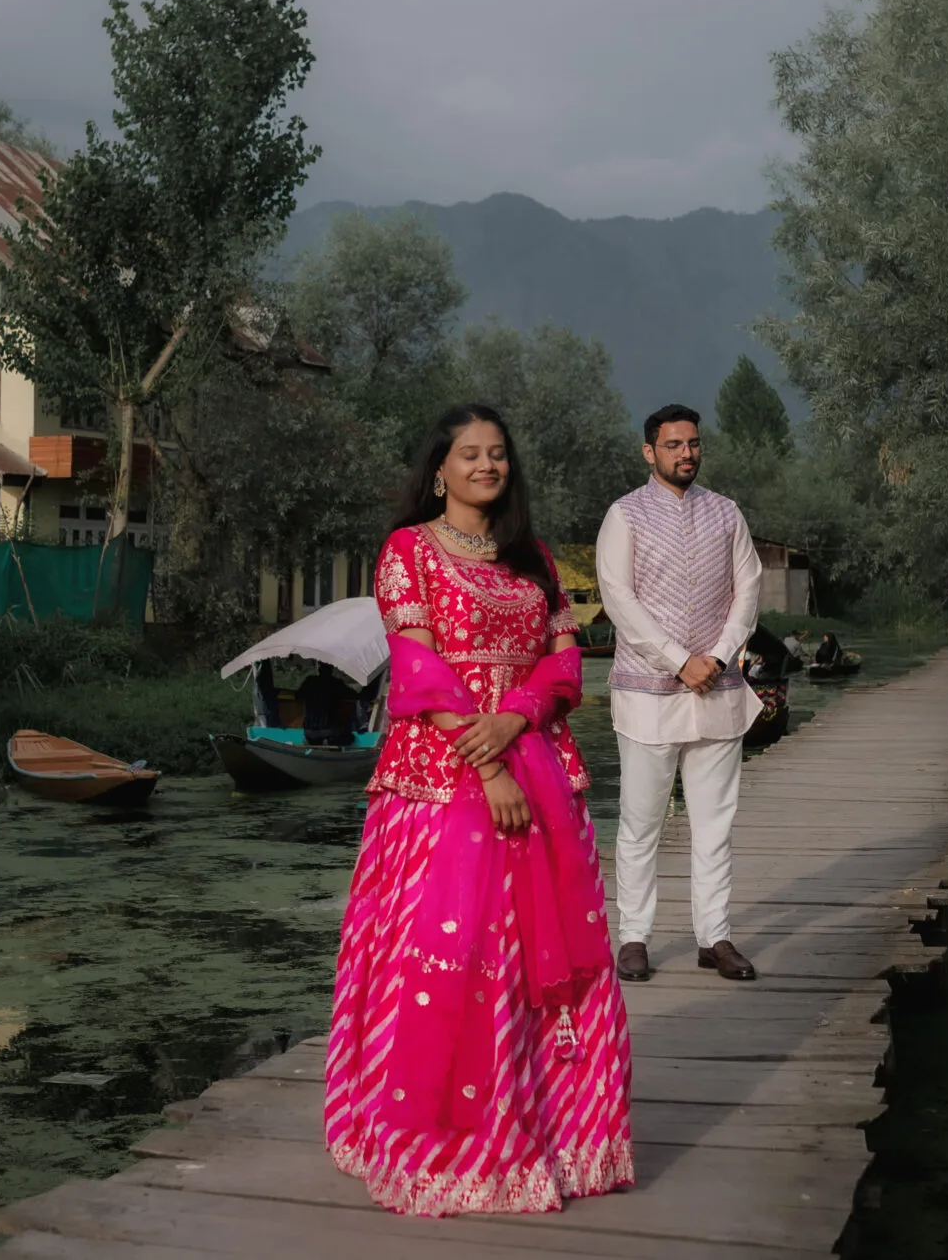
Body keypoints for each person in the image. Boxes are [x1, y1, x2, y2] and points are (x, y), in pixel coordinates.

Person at [324, 405, 634, 1216]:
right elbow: (417, 667)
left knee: (541, 954)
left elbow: (564, 663)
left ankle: (558, 1135)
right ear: (440, 469)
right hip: (440, 777)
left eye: (497, 453)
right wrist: (489, 761)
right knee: (453, 954)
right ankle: (448, 1147)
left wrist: (516, 718)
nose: (487, 465)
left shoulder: (533, 556)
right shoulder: (408, 550)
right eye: (470, 454)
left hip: (539, 767)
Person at [595, 403, 765, 984]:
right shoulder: (626, 515)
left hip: (718, 688)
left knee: (714, 825)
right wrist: (677, 661)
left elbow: (748, 591)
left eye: (692, 443)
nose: (686, 453)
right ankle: (634, 938)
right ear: (650, 451)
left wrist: (716, 657)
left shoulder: (727, 512)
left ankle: (714, 937)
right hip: (648, 696)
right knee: (640, 824)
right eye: (673, 445)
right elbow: (619, 599)